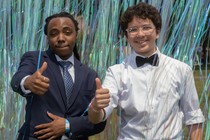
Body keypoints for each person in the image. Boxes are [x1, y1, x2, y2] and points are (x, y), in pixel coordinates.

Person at [88, 2, 205, 140]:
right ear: (126, 36)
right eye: (133, 30)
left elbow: (194, 117)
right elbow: (97, 117)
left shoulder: (181, 70)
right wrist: (95, 106)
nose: (140, 34)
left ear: (158, 31)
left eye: (146, 28)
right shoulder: (116, 72)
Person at [11, 11, 106, 140]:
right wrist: (27, 82)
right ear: (47, 37)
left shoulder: (90, 75)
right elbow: (18, 79)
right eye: (54, 33)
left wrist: (68, 125)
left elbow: (98, 123)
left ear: (76, 35)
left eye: (67, 32)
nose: (61, 38)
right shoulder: (35, 59)